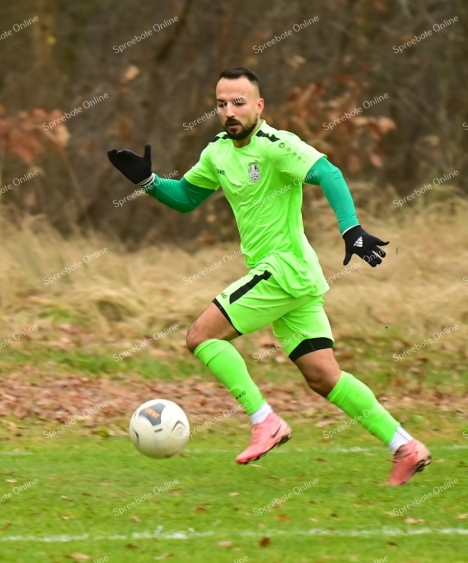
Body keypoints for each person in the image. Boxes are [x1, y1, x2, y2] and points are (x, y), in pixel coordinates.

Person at [107, 67, 431, 483]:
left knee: (201, 337)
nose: (229, 111)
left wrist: (351, 229)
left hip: (281, 269)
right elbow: (187, 197)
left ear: (259, 106)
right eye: (222, 104)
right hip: (298, 279)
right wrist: (149, 181)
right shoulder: (217, 152)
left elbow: (328, 173)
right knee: (323, 377)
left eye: (238, 102)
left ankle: (265, 421)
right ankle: (405, 446)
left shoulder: (278, 145)